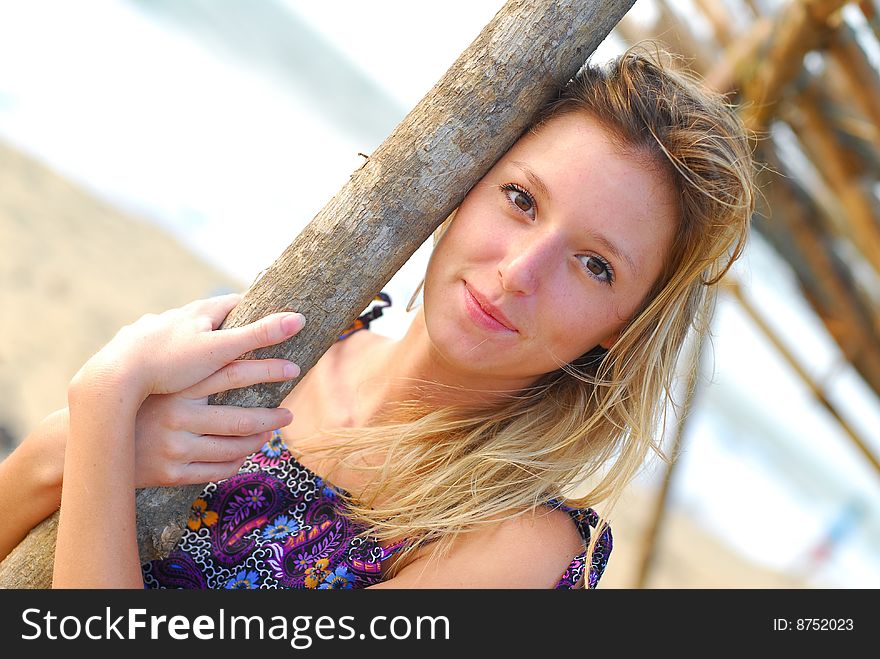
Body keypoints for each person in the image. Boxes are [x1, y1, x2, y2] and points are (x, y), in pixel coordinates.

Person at [0, 44, 756, 588]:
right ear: (465, 185)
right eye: (521, 200)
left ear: (621, 326)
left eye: (596, 266)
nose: (518, 272)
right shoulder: (291, 348)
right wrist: (52, 453)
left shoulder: (519, 547)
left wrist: (103, 415)